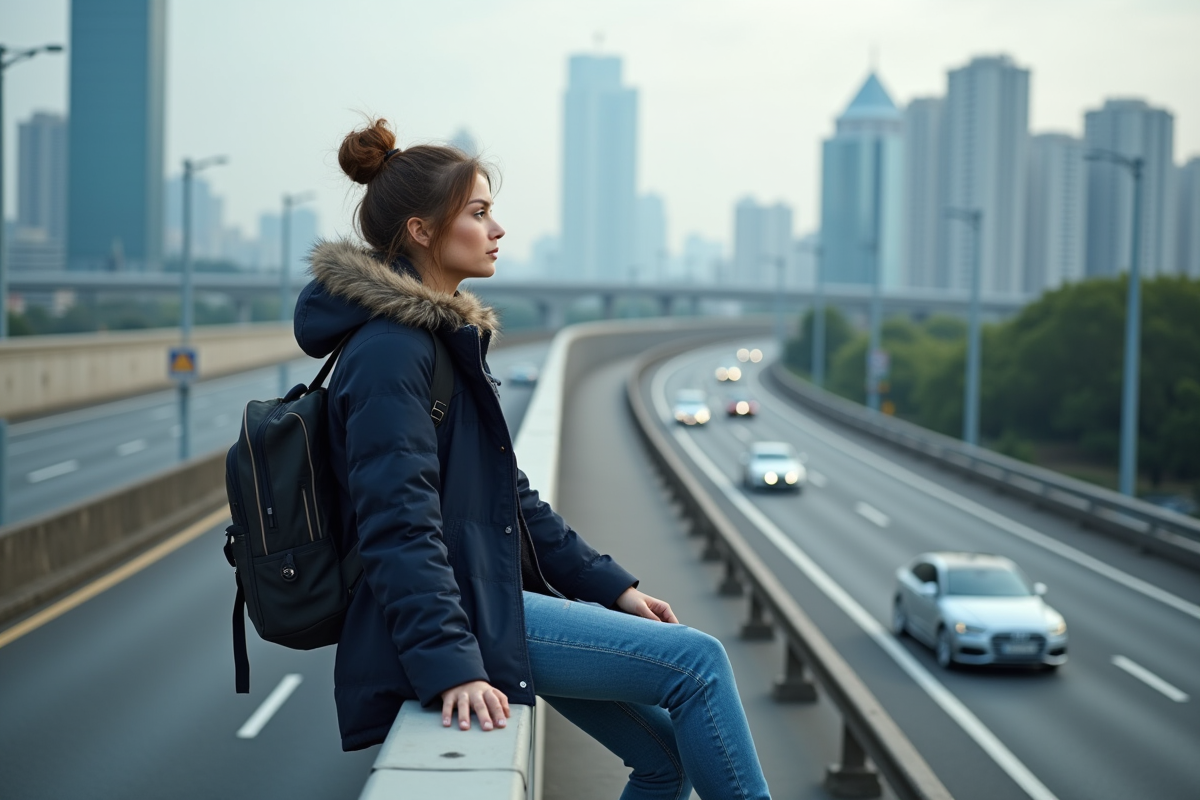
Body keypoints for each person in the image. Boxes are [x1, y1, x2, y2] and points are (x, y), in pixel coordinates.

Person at [294, 118, 771, 799]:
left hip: (484, 597)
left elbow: (511, 500)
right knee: (699, 664)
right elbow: (396, 527)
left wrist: (612, 587)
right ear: (421, 231)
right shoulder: (391, 353)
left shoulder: (435, 339)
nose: (498, 229)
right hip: (463, 618)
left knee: (665, 762)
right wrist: (451, 665)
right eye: (479, 213)